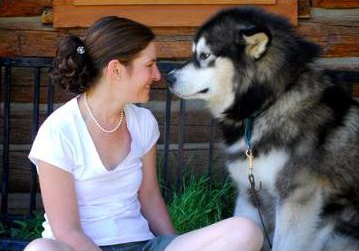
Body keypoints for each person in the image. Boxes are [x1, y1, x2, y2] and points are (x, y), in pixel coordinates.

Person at [23, 16, 264, 251]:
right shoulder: (59, 133)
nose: (157, 75)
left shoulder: (143, 122)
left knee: (245, 231)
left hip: (143, 244)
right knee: (40, 248)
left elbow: (149, 198)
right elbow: (66, 231)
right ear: (116, 70)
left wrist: (174, 243)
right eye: (149, 65)